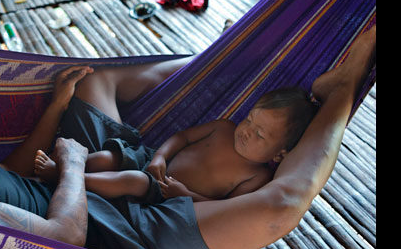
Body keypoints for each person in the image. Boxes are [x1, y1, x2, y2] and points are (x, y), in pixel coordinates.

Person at [0, 25, 375, 249]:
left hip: (79, 177)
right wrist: (70, 165)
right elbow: (64, 238)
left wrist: (53, 108)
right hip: (125, 234)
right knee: (279, 207)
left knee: (97, 82)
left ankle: (235, 58)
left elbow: (12, 171)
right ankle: (341, 95)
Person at [33, 87, 318, 203]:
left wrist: (186, 194)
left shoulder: (258, 176)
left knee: (132, 180)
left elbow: (226, 207)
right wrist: (159, 157)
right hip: (153, 161)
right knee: (110, 157)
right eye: (249, 120)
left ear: (280, 154)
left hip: (165, 193)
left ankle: (67, 176)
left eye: (260, 135)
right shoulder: (224, 127)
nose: (246, 131)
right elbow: (181, 138)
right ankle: (66, 165)